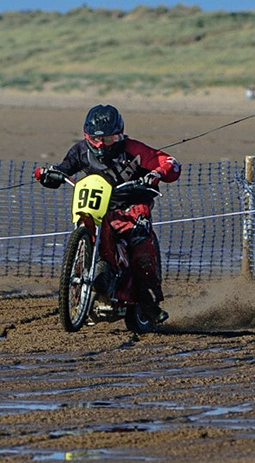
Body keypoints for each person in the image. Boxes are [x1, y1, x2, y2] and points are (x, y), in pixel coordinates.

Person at [33, 104, 181, 324]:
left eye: (109, 140)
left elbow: (169, 163)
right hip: (97, 206)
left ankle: (149, 302)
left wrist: (156, 174)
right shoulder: (80, 151)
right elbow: (63, 169)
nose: (102, 145)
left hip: (132, 203)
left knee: (140, 239)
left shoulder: (134, 149)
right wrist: (48, 175)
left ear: (120, 136)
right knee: (89, 232)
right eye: (95, 140)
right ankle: (86, 288)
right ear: (87, 137)